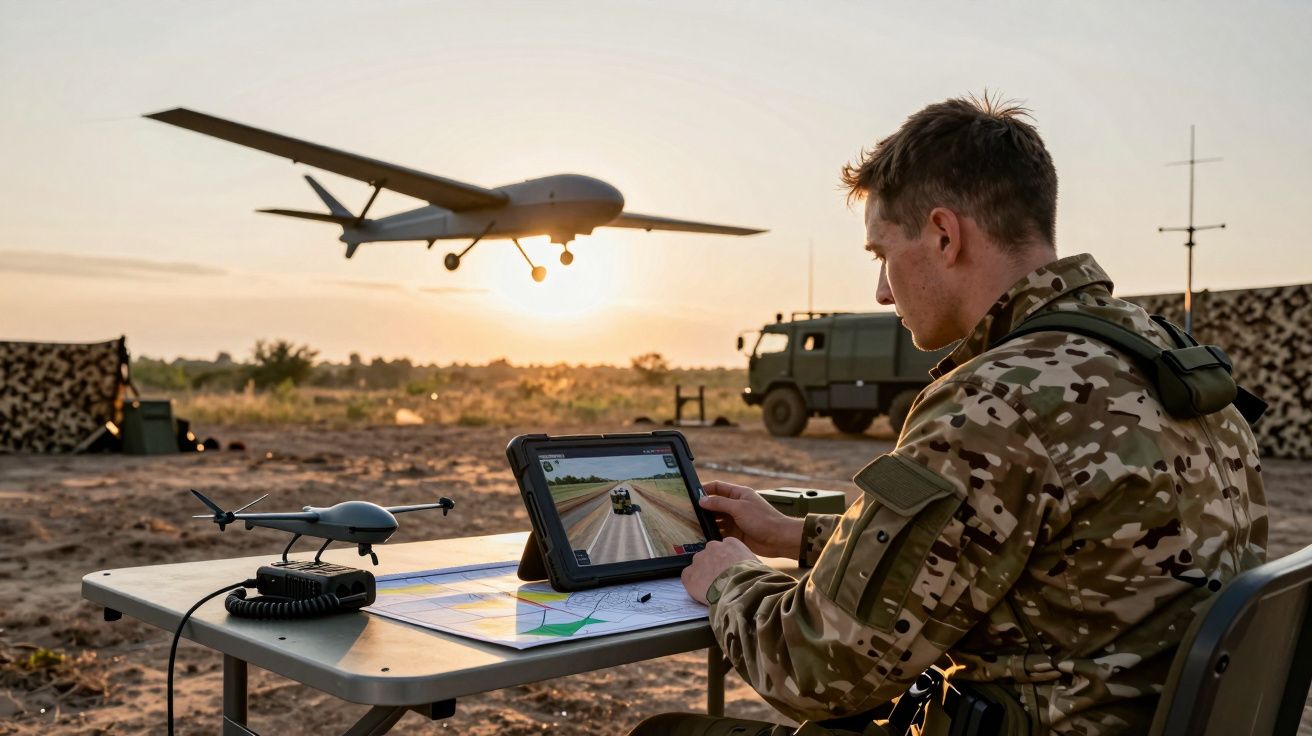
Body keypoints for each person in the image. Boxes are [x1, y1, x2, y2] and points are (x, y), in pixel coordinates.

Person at [629, 94, 1267, 735]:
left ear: (943, 235)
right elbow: (996, 546)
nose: (882, 291)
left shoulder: (994, 402)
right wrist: (796, 536)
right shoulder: (1166, 359)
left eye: (881, 254)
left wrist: (731, 578)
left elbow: (818, 669)